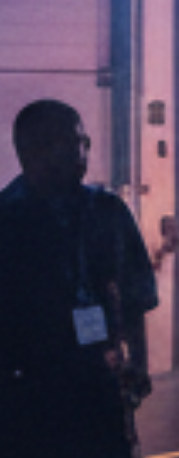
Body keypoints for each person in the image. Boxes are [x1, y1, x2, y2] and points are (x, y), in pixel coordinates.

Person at [0, 99, 158, 458]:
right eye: (73, 142)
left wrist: (138, 364)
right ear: (35, 150)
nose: (82, 153)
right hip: (26, 398)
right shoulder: (8, 222)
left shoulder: (107, 211)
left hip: (97, 387)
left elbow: (135, 296)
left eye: (84, 143)